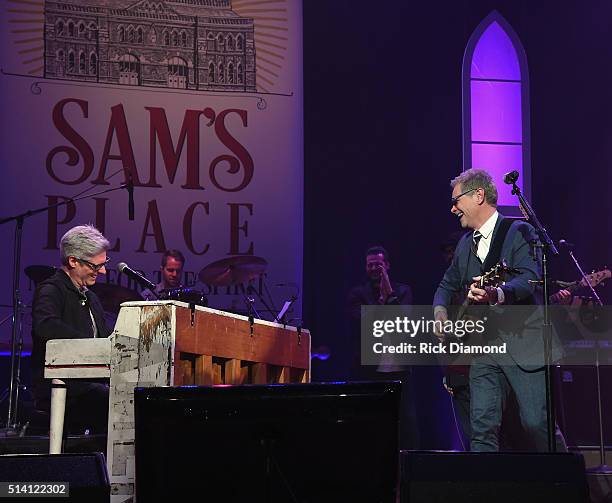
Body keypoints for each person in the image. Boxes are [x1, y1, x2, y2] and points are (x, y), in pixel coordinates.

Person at [433, 168, 565, 452]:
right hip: (485, 349)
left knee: (536, 424)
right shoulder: (464, 245)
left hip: (523, 345)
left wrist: (497, 292)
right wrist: (440, 312)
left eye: (457, 200)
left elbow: (529, 278)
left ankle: (569, 486)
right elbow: (446, 284)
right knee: (482, 431)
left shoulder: (519, 231)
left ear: (479, 195)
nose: (452, 207)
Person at [31, 224, 112, 434]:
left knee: (133, 397)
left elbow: (105, 340)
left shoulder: (92, 298)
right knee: (115, 403)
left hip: (90, 385)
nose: (102, 271)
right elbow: (45, 326)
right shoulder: (51, 289)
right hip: (66, 387)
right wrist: (92, 346)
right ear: (73, 261)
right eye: (96, 266)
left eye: (104, 264)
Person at [347, 245, 418, 448]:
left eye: (378, 264)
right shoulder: (357, 294)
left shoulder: (403, 290)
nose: (374, 269)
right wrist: (382, 301)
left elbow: (402, 321)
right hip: (368, 367)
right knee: (370, 418)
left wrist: (390, 295)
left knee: (406, 421)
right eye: (370, 265)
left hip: (399, 367)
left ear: (387, 265)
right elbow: (364, 322)